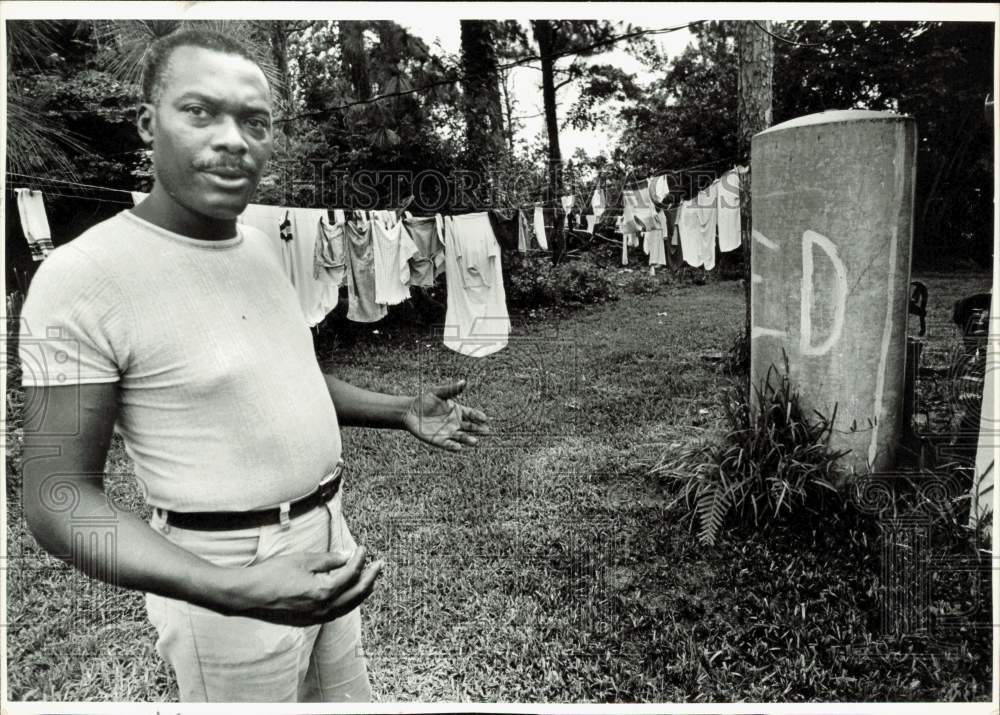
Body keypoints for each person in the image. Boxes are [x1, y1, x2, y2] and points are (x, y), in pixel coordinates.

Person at [17, 29, 491, 703]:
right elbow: (56, 500)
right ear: (148, 123)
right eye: (201, 111)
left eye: (255, 120)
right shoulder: (78, 277)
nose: (234, 138)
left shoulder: (262, 245)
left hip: (330, 537)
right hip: (219, 568)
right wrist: (232, 589)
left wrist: (398, 410)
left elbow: (283, 377)